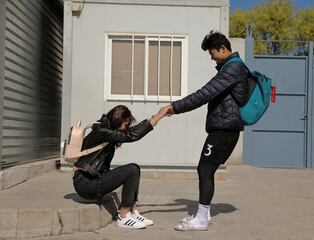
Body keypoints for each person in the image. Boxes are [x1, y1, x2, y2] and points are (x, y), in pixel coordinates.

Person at [165, 30, 249, 231]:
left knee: (204, 169)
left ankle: (201, 219)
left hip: (224, 129)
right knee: (207, 169)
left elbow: (204, 94)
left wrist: (173, 107)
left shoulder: (233, 68)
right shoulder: (229, 68)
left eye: (212, 52)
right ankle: (205, 213)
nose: (211, 56)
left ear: (223, 48)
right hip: (223, 128)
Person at [73, 105, 170, 229]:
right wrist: (157, 117)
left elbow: (130, 132)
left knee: (135, 168)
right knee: (131, 170)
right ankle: (123, 217)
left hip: (94, 179)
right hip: (85, 185)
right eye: (125, 124)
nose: (126, 128)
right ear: (117, 121)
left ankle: (132, 211)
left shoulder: (106, 131)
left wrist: (153, 118)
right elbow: (130, 136)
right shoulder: (101, 131)